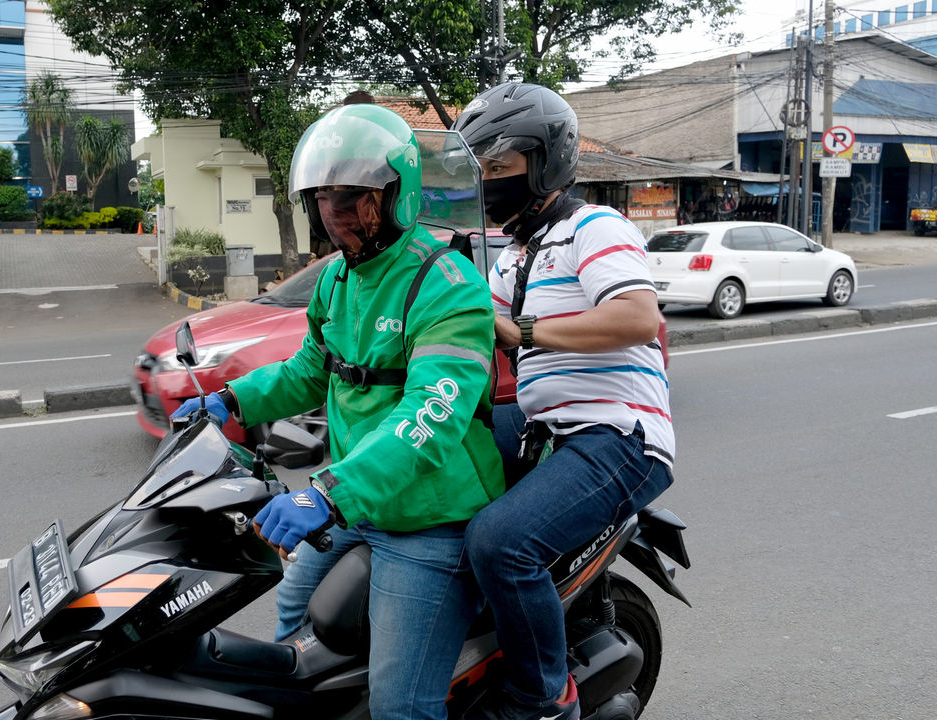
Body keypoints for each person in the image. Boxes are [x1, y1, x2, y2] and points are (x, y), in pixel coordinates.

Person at [174, 103, 504, 720]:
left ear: (395, 196)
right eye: (324, 199)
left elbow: (431, 416)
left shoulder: (447, 283)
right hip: (356, 501)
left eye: (354, 198)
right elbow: (308, 370)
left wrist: (325, 493)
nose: (336, 214)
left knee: (400, 706)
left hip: (429, 519)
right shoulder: (336, 281)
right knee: (292, 640)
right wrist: (228, 402)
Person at [452, 82, 675, 720]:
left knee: (500, 542)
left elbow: (636, 317)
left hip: (618, 435)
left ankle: (544, 700)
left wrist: (522, 332)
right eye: (481, 170)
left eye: (500, 167)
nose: (490, 182)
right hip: (540, 425)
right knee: (426, 477)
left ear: (545, 160)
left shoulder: (594, 227)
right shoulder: (517, 254)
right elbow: (471, 334)